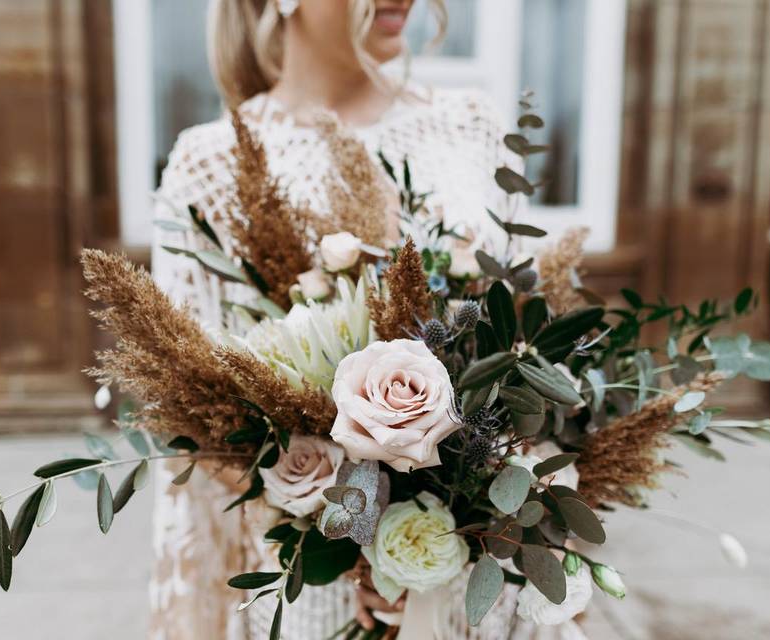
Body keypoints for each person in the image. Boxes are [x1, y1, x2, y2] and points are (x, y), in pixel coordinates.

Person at [148, 1, 583, 638]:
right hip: (320, 587)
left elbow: (515, 337)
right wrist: (367, 555)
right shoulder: (210, 165)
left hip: (483, 577)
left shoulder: (467, 125)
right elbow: (199, 416)